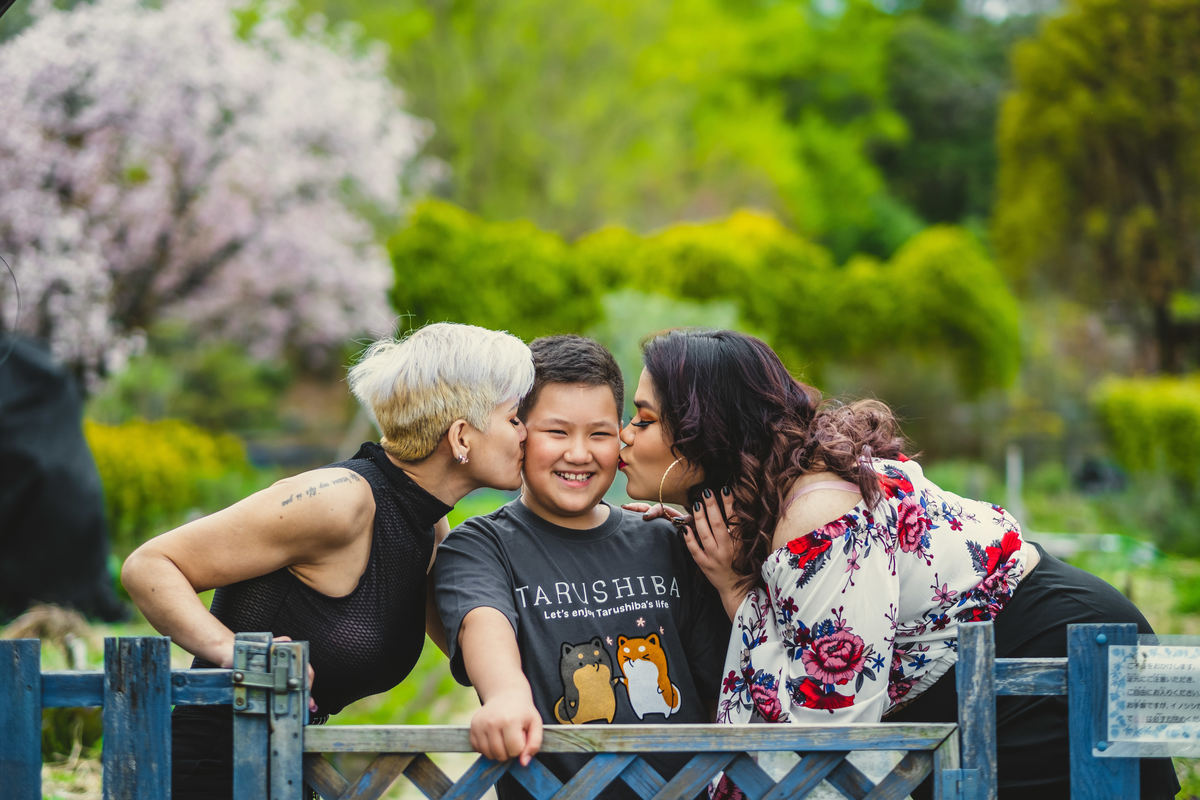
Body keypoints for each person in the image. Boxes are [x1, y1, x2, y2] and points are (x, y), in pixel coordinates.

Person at [618, 328, 1179, 800]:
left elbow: (832, 729)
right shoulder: (775, 485)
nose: (623, 436)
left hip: (1052, 659)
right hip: (1029, 651)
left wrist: (739, 595)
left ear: (699, 433)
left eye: (642, 420)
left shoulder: (819, 512)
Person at [121, 322, 534, 800]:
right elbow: (149, 566)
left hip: (288, 772)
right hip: (212, 774)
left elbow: (472, 654)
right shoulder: (340, 501)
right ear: (462, 436)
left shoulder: (427, 527)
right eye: (515, 419)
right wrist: (235, 653)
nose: (527, 434)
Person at [434, 335, 730, 800]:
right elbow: (481, 622)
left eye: (599, 433)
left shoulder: (669, 540)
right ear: (520, 431)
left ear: (621, 436)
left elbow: (719, 685)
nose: (579, 453)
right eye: (557, 432)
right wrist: (507, 696)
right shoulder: (481, 546)